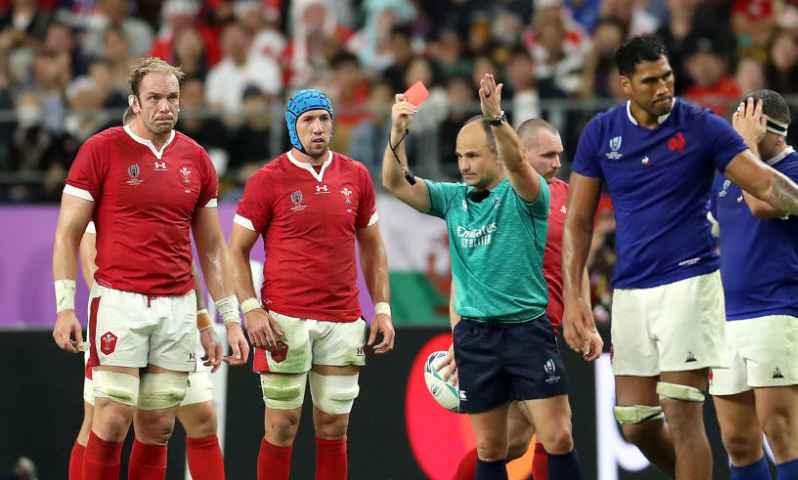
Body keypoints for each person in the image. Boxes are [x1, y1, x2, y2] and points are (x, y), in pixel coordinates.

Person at [560, 34, 798, 480]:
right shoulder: (601, 133)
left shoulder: (705, 128)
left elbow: (762, 186)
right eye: (650, 81)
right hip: (640, 292)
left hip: (703, 289)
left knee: (695, 416)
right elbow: (580, 221)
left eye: (667, 76)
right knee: (640, 423)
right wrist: (575, 294)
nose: (663, 87)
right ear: (625, 84)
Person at [52, 57, 246, 480]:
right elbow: (69, 234)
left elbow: (212, 248)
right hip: (118, 301)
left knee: (159, 427)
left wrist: (229, 318)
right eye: (154, 98)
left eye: (172, 97)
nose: (165, 106)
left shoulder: (197, 159)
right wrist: (65, 307)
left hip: (177, 307)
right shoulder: (100, 149)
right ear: (134, 102)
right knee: (110, 419)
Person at [383, 74, 582, 480]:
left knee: (558, 437)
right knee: (492, 448)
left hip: (527, 331)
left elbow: (520, 165)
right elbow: (394, 182)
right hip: (476, 338)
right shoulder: (453, 199)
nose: (464, 165)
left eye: (473, 156)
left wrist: (496, 119)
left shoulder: (528, 196)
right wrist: (397, 133)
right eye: (460, 156)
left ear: (498, 157)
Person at [227, 89, 395, 480]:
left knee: (334, 428)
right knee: (280, 426)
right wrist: (251, 309)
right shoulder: (267, 180)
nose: (318, 128)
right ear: (292, 127)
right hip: (284, 320)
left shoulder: (356, 175)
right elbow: (235, 251)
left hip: (343, 318)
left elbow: (373, 246)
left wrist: (382, 309)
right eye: (308, 120)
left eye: (324, 119)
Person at [445, 119, 591, 480]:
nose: (558, 163)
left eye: (559, 153)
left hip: (543, 333)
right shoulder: (495, 196)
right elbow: (465, 275)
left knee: (514, 442)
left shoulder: (567, 195)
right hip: (509, 333)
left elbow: (578, 262)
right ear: (520, 153)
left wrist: (583, 315)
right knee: (553, 434)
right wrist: (460, 337)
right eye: (549, 155)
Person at [708, 89, 798, 480]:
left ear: (771, 132)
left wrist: (744, 150)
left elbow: (761, 203)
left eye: (745, 128)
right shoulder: (725, 177)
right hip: (725, 318)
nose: (735, 137)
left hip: (775, 310)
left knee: (779, 430)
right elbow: (707, 232)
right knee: (737, 441)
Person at [69, 221, 240, 480]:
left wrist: (203, 319)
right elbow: (91, 261)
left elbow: (184, 259)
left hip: (172, 323)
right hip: (120, 324)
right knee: (102, 423)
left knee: (202, 418)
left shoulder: (176, 200)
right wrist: (127, 315)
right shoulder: (112, 197)